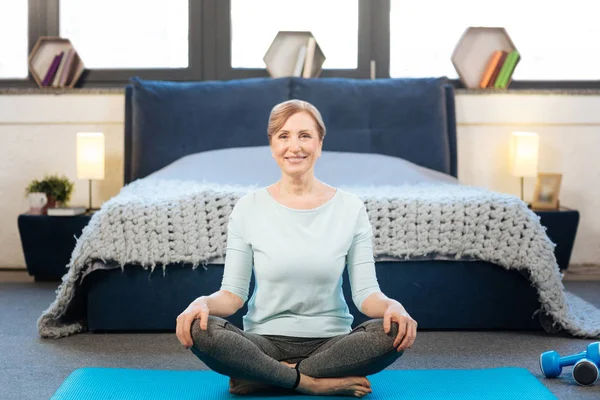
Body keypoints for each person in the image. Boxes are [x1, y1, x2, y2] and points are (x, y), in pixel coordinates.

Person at [176, 99, 418, 397]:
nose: (295, 146)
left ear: (320, 142)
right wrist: (202, 302)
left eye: (305, 135)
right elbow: (232, 296)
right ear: (272, 144)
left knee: (393, 330)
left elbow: (367, 296)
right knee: (202, 329)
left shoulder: (350, 208)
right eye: (284, 136)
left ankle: (264, 375)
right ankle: (310, 383)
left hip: (332, 343)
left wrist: (392, 306)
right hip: (264, 341)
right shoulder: (247, 208)